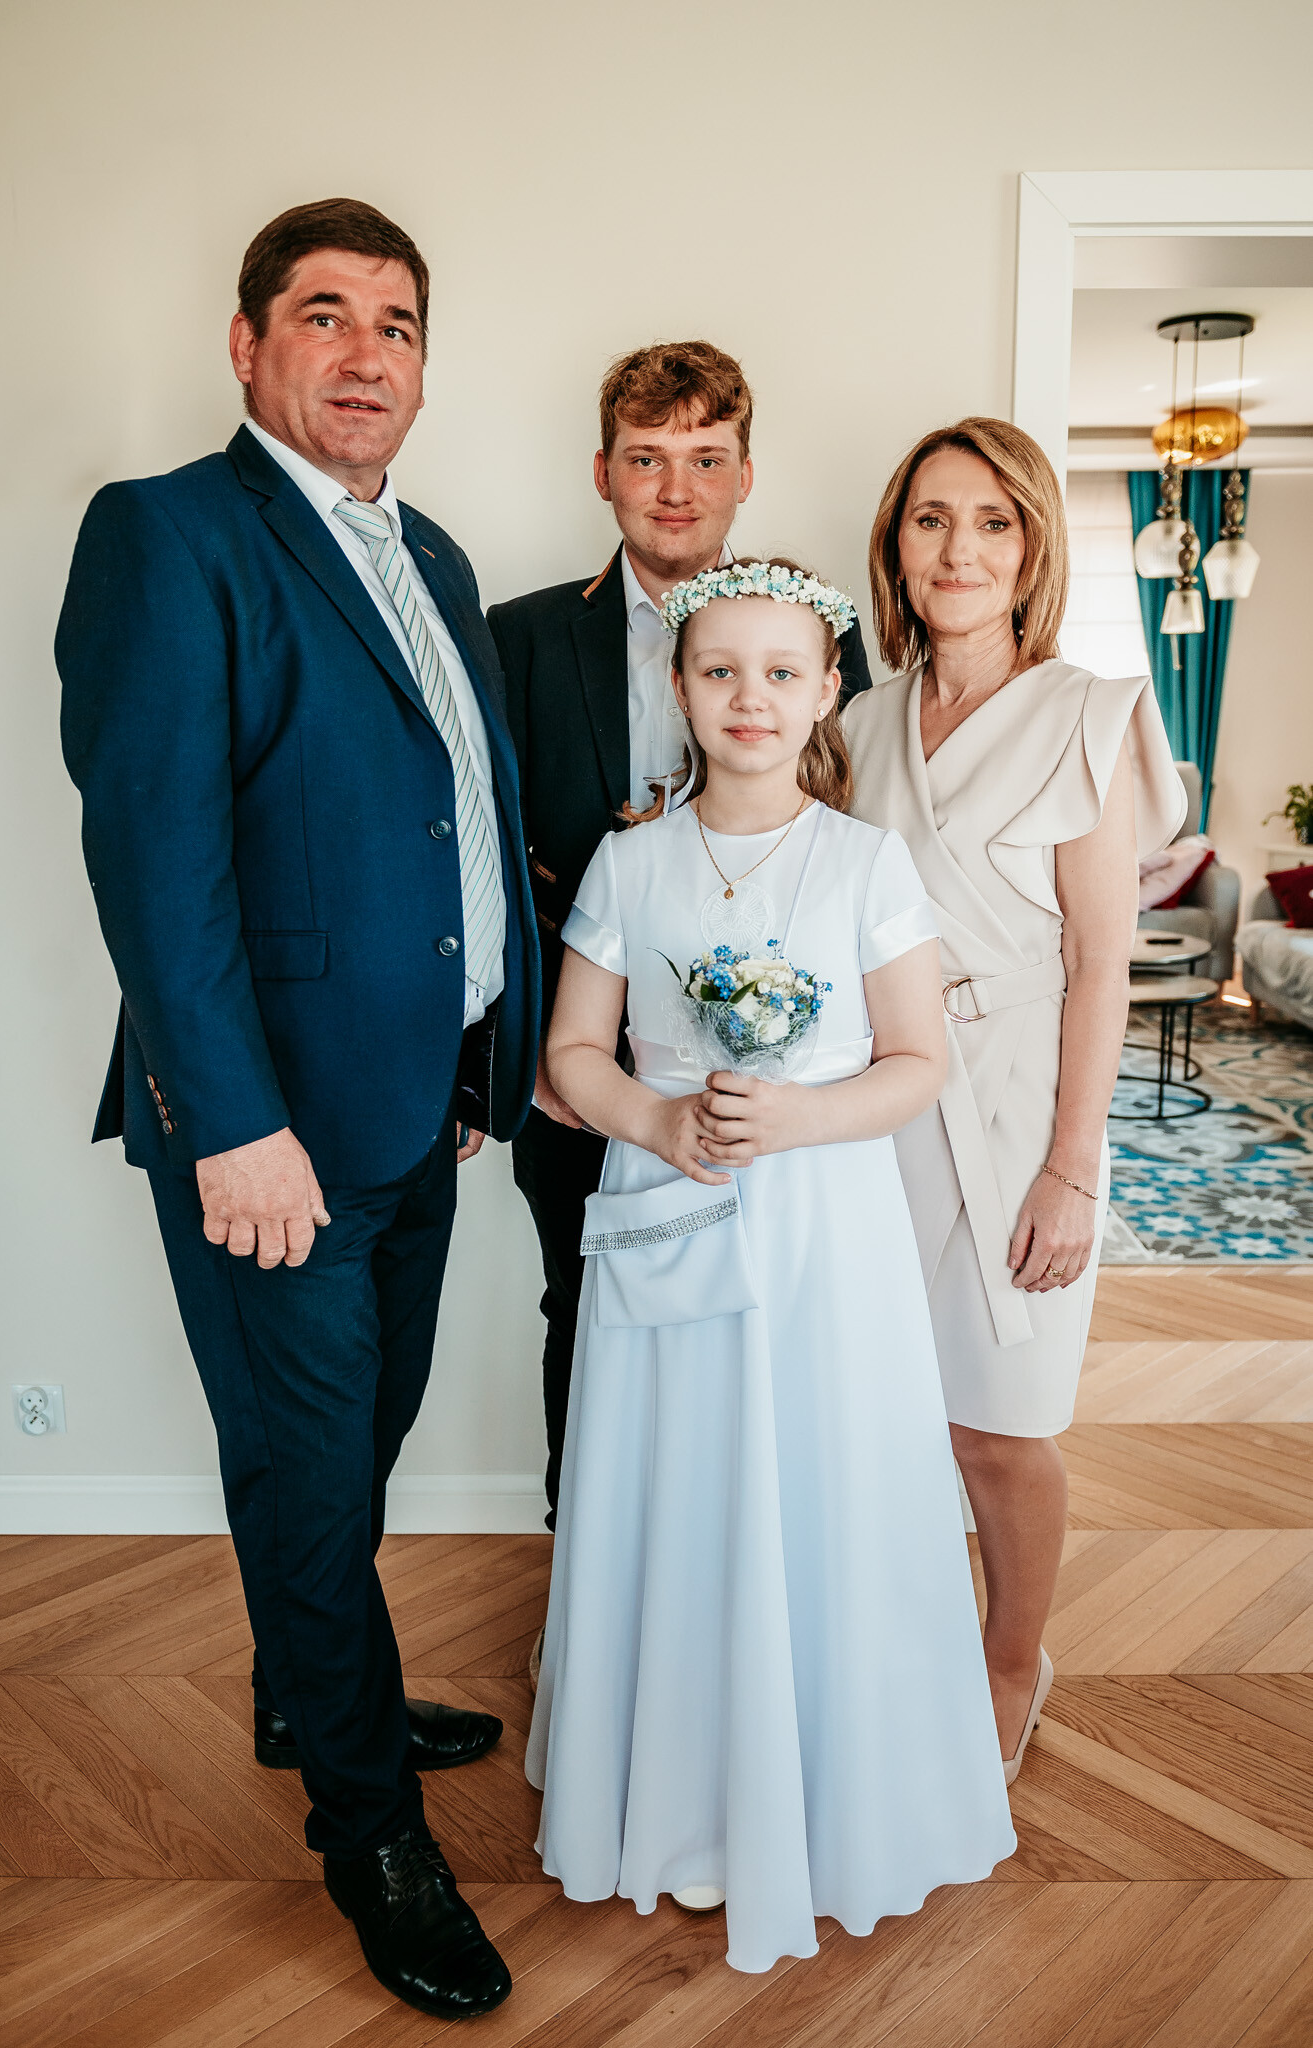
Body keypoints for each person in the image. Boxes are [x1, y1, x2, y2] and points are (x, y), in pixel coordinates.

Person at [56, 198, 540, 2021]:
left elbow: (447, 821)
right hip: (268, 1132)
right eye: (324, 314)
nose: (364, 353)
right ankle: (367, 1830)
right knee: (309, 1462)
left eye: (396, 324)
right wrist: (231, 1122)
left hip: (419, 1107)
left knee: (359, 1436)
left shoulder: (434, 552)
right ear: (248, 343)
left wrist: (479, 1058)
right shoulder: (169, 533)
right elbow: (155, 858)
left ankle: (302, 1686)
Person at [524, 559, 1015, 1973]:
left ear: (824, 692)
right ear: (678, 688)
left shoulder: (864, 863)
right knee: (680, 1482)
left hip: (823, 1228)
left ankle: (833, 1796)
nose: (751, 696)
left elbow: (916, 1059)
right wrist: (655, 1119)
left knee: (821, 1479)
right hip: (670, 1203)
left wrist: (795, 1116)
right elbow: (572, 1052)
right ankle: (680, 1804)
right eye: (720, 670)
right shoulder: (629, 863)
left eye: (781, 671)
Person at [489, 344, 872, 1557]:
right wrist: (527, 1047)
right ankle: (595, 1583)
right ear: (602, 471)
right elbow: (481, 859)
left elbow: (842, 837)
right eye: (646, 458)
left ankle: (762, 1575)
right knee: (591, 1307)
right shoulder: (519, 637)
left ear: (744, 475)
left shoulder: (822, 637)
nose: (674, 487)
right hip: (583, 1068)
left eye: (706, 459)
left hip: (790, 1081)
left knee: (786, 1327)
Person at [845, 419, 1185, 1784]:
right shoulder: (854, 722)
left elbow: (1101, 963)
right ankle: (908, 1642)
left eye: (992, 521)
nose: (959, 550)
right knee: (893, 1413)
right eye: (931, 519)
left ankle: (1007, 1660)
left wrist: (1071, 1166)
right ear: (895, 546)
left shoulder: (1088, 714)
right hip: (882, 1105)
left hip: (1018, 1099)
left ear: (1032, 548)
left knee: (998, 1422)